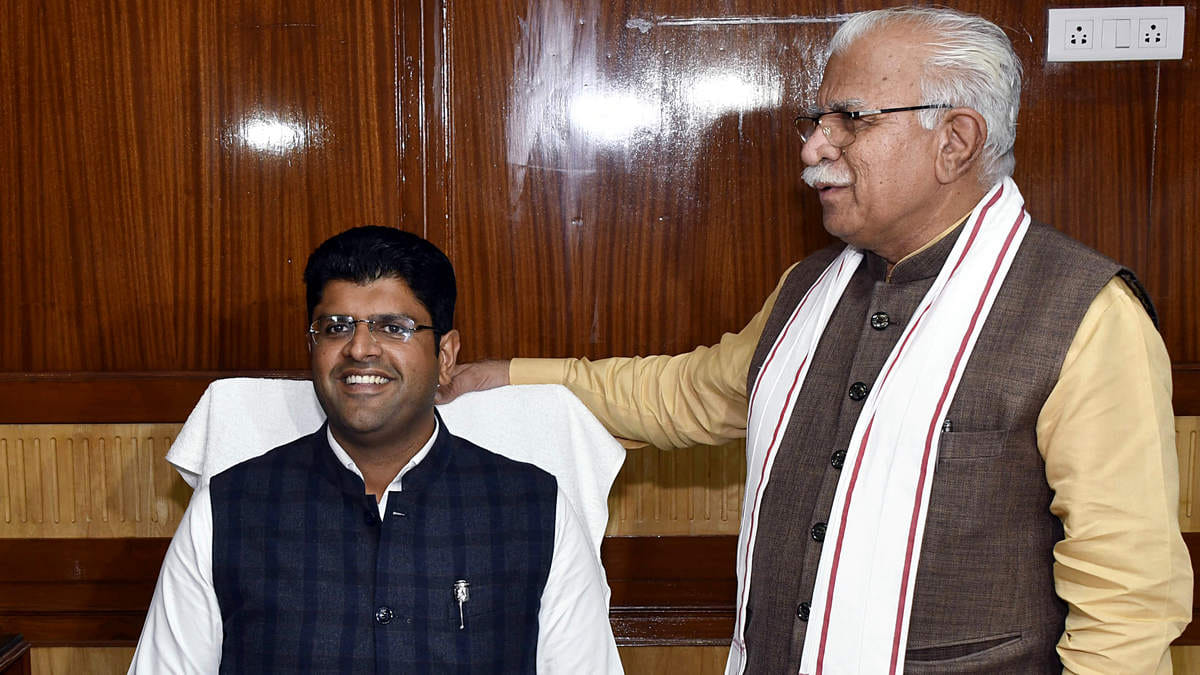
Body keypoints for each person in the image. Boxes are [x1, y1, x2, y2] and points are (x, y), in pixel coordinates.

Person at [439, 7, 1191, 674]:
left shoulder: (1085, 313)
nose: (813, 149)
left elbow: (1127, 600)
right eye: (817, 120)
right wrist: (507, 375)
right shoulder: (811, 289)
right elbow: (691, 394)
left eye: (851, 120)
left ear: (956, 141)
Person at [130, 226, 620, 673]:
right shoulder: (230, 508)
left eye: (394, 327)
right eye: (336, 327)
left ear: (444, 356)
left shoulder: (532, 507)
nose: (360, 349)